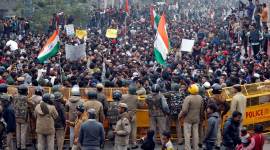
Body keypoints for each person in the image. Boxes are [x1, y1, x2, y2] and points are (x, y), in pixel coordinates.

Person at [178, 84, 202, 150]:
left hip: (188, 119)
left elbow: (184, 110)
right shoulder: (200, 97)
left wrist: (180, 116)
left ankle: (187, 148)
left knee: (187, 135)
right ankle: (196, 147)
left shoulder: (188, 98)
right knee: (195, 134)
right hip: (196, 118)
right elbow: (201, 109)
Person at [209, 83, 230, 149]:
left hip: (213, 116)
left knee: (213, 130)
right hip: (219, 115)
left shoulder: (212, 98)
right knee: (218, 130)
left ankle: (216, 143)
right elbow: (228, 106)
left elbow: (210, 108)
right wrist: (223, 113)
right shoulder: (223, 98)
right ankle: (219, 143)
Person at [66, 85, 83, 149]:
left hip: (71, 118)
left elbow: (66, 110)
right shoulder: (81, 101)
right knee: (79, 133)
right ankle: (79, 146)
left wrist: (67, 118)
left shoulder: (68, 101)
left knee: (72, 133)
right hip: (79, 119)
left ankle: (71, 146)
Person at [13, 84, 30, 150]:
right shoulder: (26, 98)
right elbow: (31, 103)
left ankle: (18, 146)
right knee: (23, 132)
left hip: (16, 115)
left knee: (18, 131)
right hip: (23, 117)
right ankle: (23, 146)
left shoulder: (15, 96)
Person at [0, 84, 15, 150]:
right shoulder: (8, 108)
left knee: (7, 144)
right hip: (6, 129)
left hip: (6, 129)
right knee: (7, 144)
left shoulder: (8, 109)